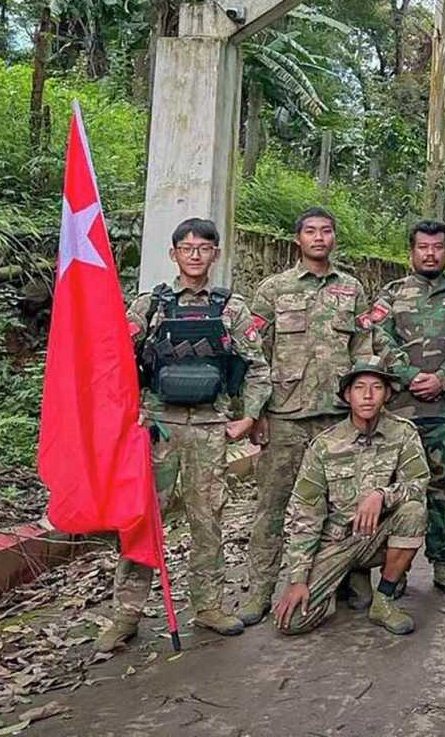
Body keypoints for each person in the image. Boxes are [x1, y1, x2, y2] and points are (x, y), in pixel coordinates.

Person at [95, 217, 270, 652]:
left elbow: (259, 368)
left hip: (210, 429)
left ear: (216, 253)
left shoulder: (232, 309)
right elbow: (115, 360)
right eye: (186, 248)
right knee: (143, 522)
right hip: (157, 428)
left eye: (204, 247)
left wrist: (247, 417)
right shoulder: (149, 306)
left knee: (207, 520)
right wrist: (125, 418)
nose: (195, 254)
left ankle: (208, 605)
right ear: (173, 254)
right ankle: (126, 613)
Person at [238, 207, 365, 625]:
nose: (318, 238)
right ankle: (260, 590)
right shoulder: (273, 290)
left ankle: (344, 578)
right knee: (272, 508)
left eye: (326, 231)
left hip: (338, 419)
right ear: (297, 239)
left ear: (334, 238)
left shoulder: (351, 290)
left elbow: (363, 351)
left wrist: (365, 407)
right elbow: (254, 356)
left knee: (342, 504)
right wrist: (256, 412)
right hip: (286, 416)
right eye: (310, 231)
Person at [269, 356, 427, 637]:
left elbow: (417, 483)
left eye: (377, 387)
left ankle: (384, 599)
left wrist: (382, 495)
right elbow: (304, 511)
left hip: (377, 537)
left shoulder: (402, 433)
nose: (368, 396)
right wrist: (298, 578)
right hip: (337, 542)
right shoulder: (325, 445)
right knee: (292, 623)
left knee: (414, 511)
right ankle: (350, 578)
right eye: (359, 388)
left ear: (388, 393)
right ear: (346, 395)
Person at [367, 220, 445, 597]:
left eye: (438, 247)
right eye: (423, 247)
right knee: (399, 491)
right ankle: (394, 571)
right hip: (400, 411)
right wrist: (410, 374)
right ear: (410, 252)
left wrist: (443, 377)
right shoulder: (391, 294)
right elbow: (377, 335)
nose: (430, 253)